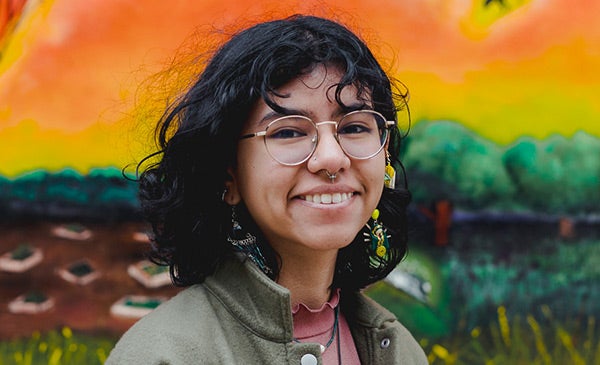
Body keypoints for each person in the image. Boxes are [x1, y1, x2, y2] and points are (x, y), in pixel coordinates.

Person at [107, 14, 427, 365]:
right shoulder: (165, 355)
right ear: (228, 176)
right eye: (288, 132)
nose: (331, 158)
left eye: (354, 127)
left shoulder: (397, 348)